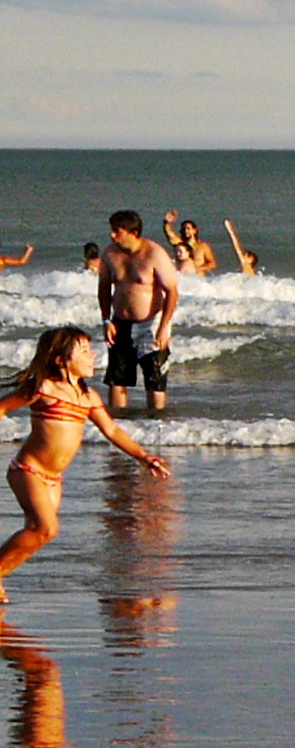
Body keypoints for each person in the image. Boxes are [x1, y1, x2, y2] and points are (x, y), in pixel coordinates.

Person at [0, 327, 172, 604]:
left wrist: (143, 456)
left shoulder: (88, 397)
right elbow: (3, 407)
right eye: (84, 352)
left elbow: (112, 431)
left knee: (38, 533)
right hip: (27, 470)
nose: (93, 356)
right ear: (60, 360)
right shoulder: (43, 388)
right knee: (46, 528)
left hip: (53, 478)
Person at [96, 211, 179, 412]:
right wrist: (106, 321)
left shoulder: (154, 254)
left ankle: (156, 423)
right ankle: (118, 424)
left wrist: (163, 327)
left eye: (118, 232)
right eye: (112, 231)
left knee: (155, 379)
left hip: (151, 322)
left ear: (133, 232)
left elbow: (172, 292)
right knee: (117, 379)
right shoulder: (109, 254)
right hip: (120, 322)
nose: (112, 236)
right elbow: (104, 288)